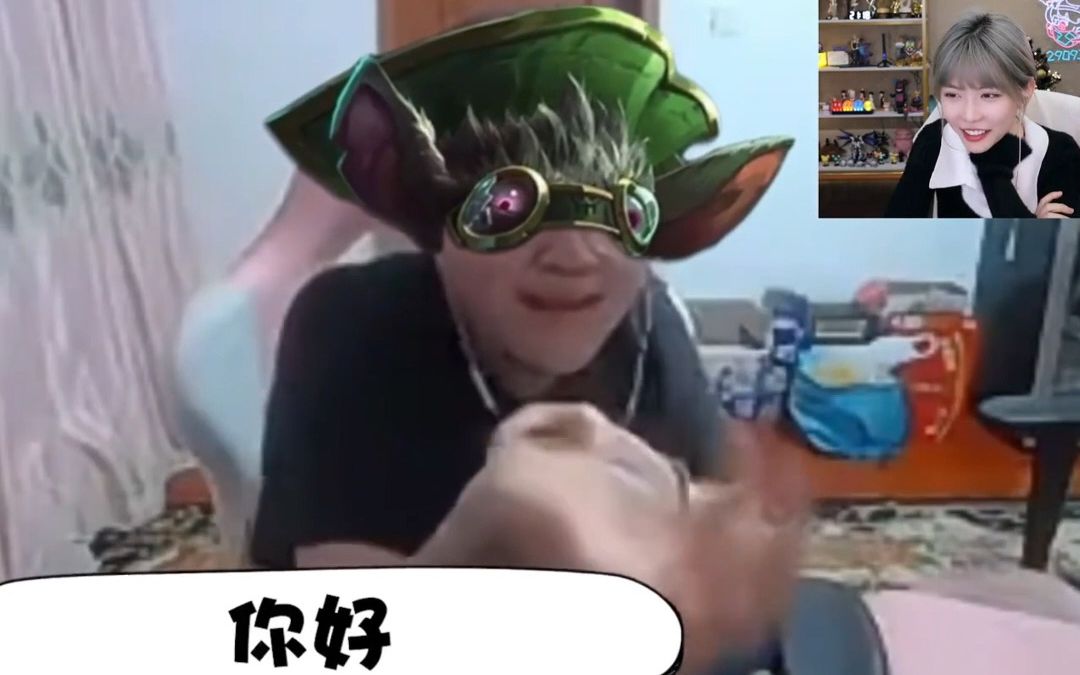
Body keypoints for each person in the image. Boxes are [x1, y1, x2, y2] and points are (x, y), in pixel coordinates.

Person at [249, 6, 798, 671]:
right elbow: (342, 633)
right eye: (508, 208)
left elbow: (720, 562)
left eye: (620, 211)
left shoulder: (648, 327)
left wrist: (718, 547)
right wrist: (477, 538)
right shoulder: (348, 328)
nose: (576, 256)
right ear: (432, 219)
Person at [885, 12, 1080, 218]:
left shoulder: (1060, 154)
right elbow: (896, 229)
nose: (969, 116)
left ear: (1026, 90)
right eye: (953, 94)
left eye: (989, 95)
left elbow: (1064, 236)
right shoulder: (934, 141)